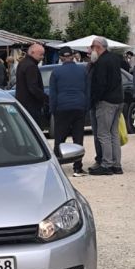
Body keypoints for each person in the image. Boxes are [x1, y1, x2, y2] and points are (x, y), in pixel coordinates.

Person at [48, 47, 87, 176]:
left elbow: (53, 94)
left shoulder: (56, 72)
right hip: (79, 106)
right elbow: (87, 89)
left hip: (62, 107)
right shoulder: (82, 70)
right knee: (78, 138)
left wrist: (53, 110)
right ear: (72, 56)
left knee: (59, 138)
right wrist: (86, 106)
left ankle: (57, 166)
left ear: (60, 58)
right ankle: (77, 167)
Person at [89, 36, 124, 176]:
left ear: (98, 47)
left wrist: (95, 100)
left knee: (103, 134)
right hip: (118, 100)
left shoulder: (101, 62)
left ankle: (106, 164)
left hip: (106, 102)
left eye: (92, 47)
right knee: (114, 133)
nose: (91, 50)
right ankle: (116, 165)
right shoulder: (115, 58)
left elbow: (100, 84)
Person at [14, 43, 46, 126]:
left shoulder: (22, 63)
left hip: (23, 103)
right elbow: (33, 87)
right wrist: (45, 98)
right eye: (41, 54)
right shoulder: (31, 66)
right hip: (31, 105)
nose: (42, 57)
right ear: (32, 52)